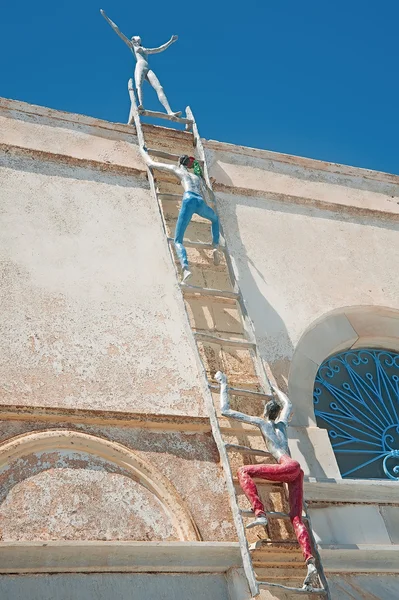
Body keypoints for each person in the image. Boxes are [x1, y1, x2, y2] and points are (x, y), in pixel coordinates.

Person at [215, 371, 320, 590]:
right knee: (296, 518)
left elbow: (225, 410)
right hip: (296, 470)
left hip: (286, 465)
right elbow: (288, 403)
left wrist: (223, 383)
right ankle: (309, 562)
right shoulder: (282, 423)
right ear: (277, 412)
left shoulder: (263, 423)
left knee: (244, 471)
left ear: (265, 411)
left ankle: (260, 513)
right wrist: (275, 388)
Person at [140, 148, 221, 282]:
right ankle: (215, 246)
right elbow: (207, 192)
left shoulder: (177, 170)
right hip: (200, 202)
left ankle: (186, 268)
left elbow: (151, 163)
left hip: (189, 199)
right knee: (215, 219)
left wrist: (143, 152)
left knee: (178, 240)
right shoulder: (197, 177)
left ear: (179, 162)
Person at [100, 9, 181, 116]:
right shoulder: (132, 46)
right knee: (139, 85)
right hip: (140, 65)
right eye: (136, 39)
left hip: (147, 67)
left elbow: (159, 49)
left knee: (159, 87)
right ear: (133, 40)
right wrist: (106, 17)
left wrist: (170, 41)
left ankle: (169, 111)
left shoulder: (144, 49)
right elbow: (118, 31)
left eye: (139, 40)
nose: (138, 41)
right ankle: (141, 104)